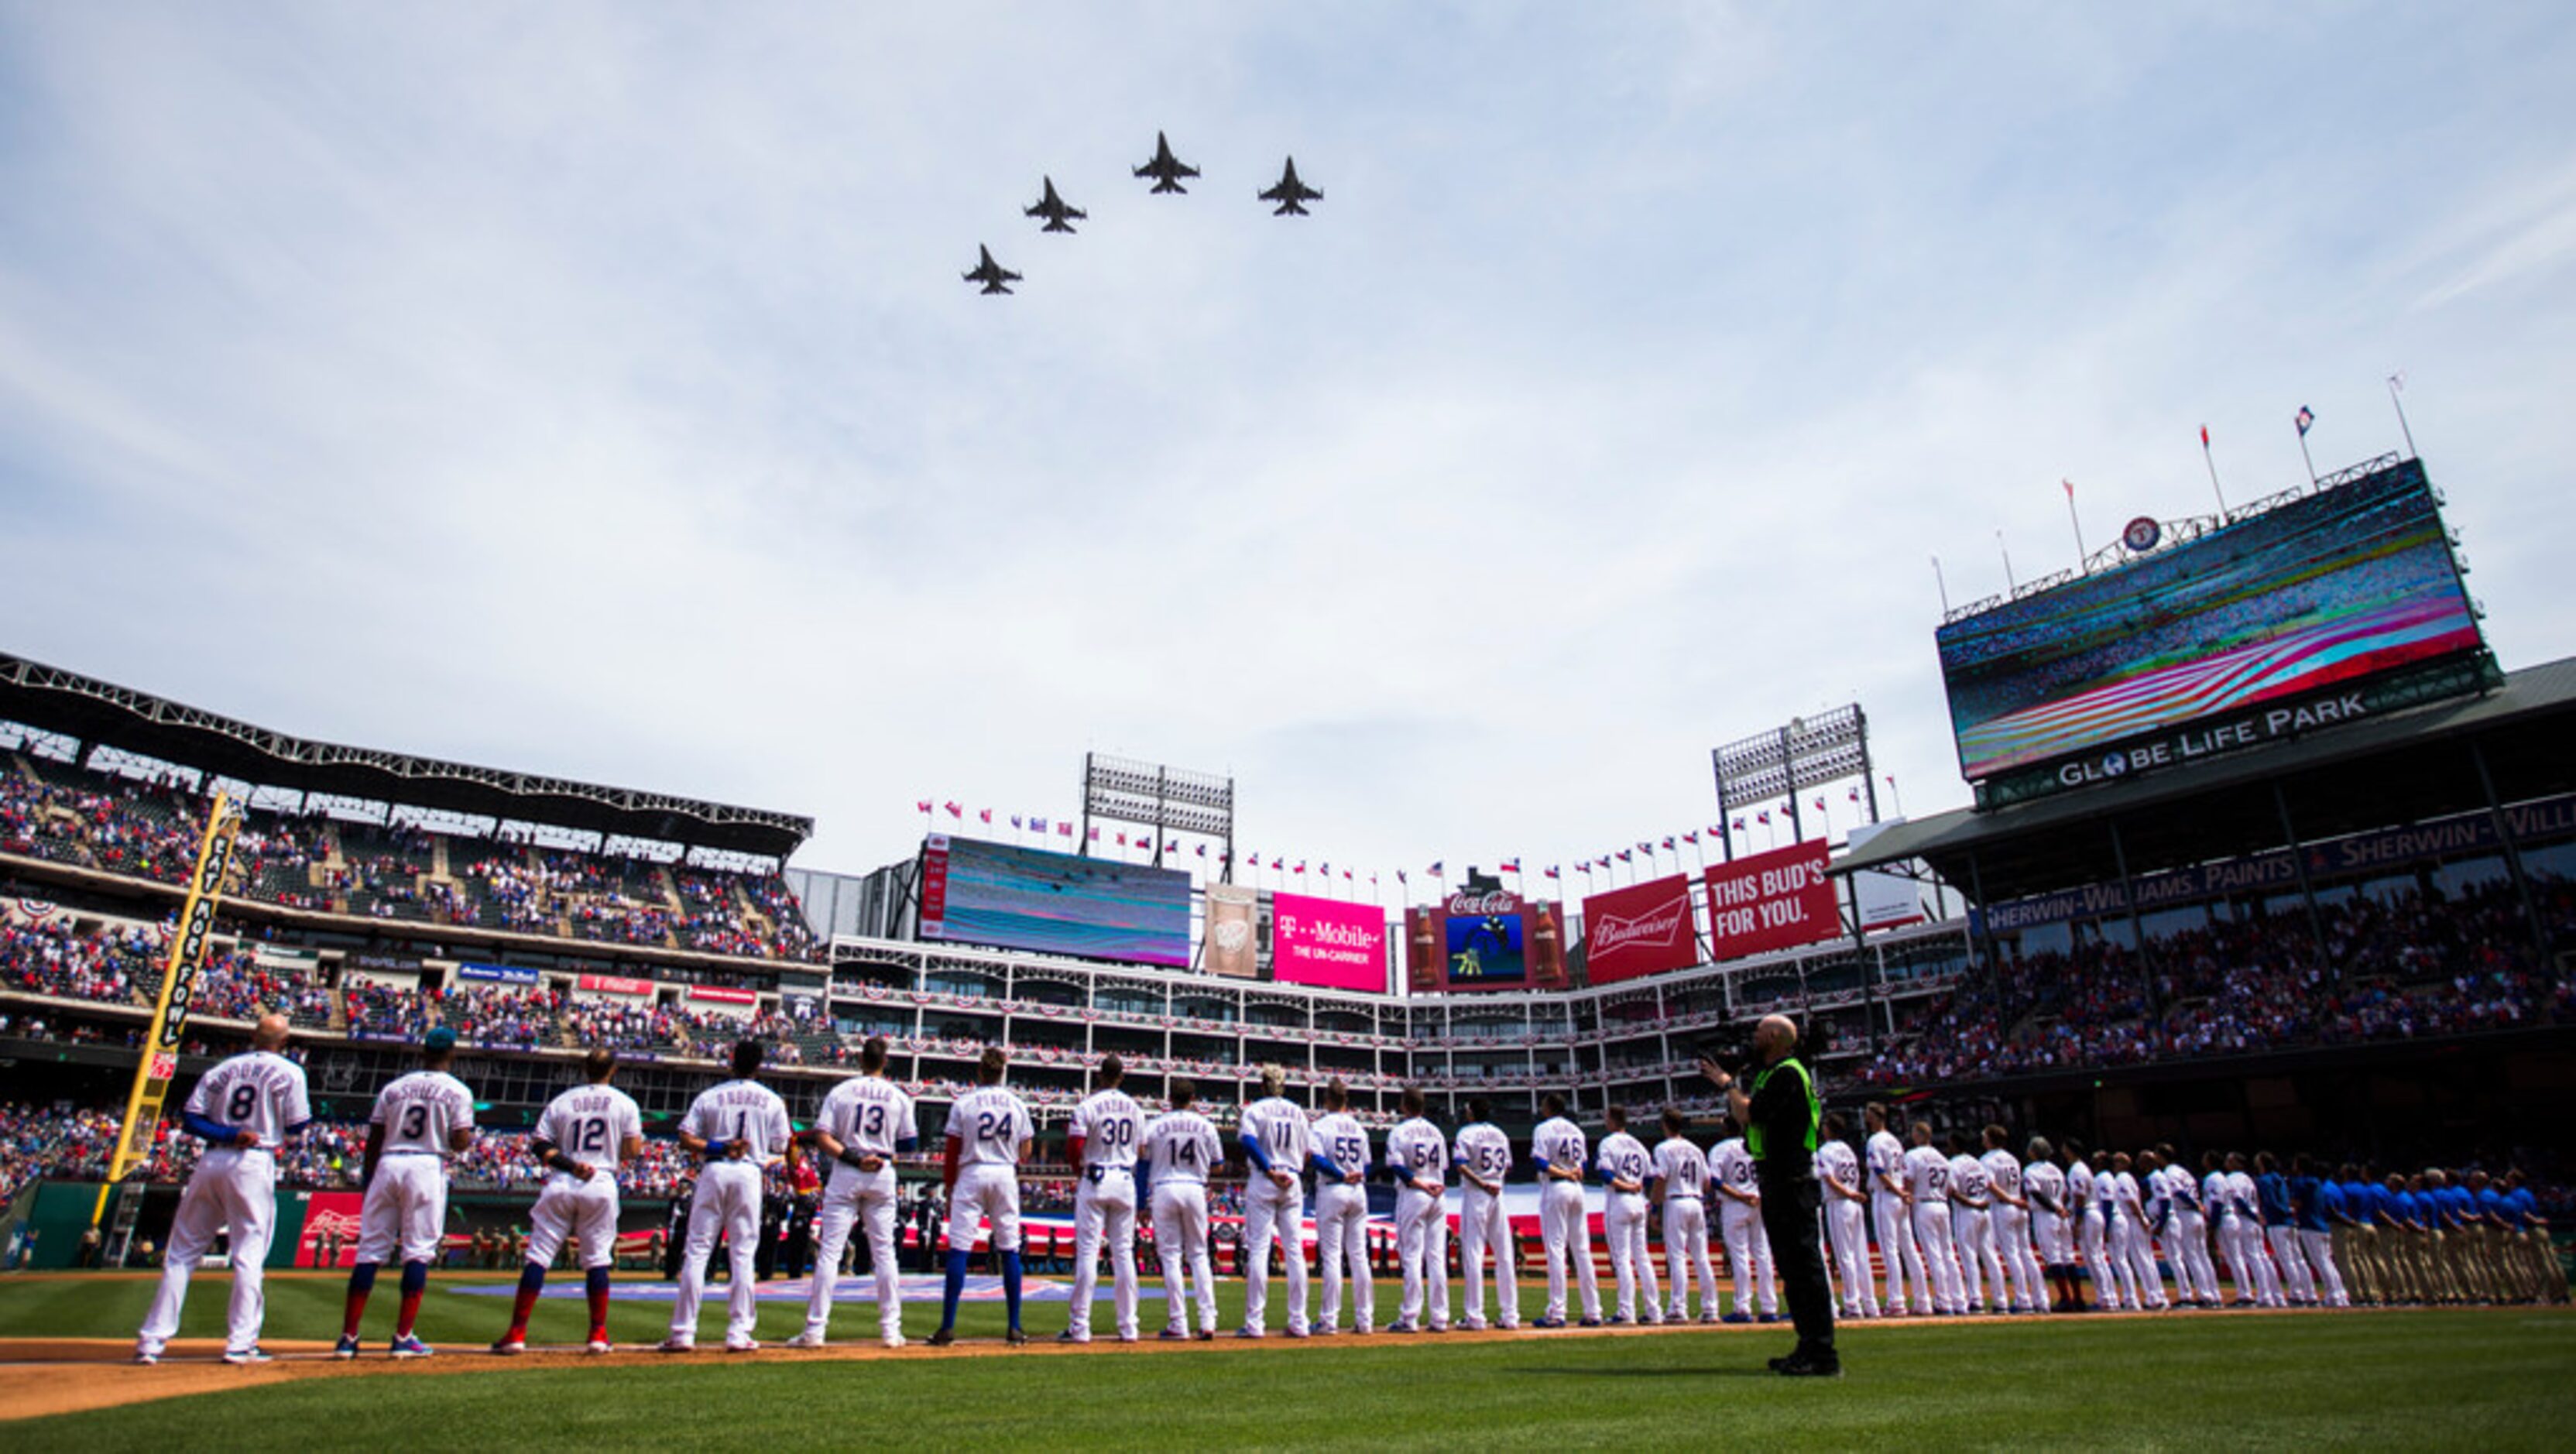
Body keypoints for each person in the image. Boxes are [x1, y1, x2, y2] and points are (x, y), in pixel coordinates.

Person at [135, 1013, 310, 1365]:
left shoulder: (221, 1069)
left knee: (181, 1253)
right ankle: (240, 1343)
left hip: (210, 1161)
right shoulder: (290, 1071)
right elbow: (298, 1124)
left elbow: (191, 1119)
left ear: (253, 1036)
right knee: (248, 1254)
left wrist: (228, 1133)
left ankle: (151, 1343)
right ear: (285, 1042)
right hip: (253, 1161)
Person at [1700, 1013, 1837, 1375]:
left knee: (1804, 1269)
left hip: (1790, 1179)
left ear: (1775, 1036)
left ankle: (1822, 1352)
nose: (1754, 1037)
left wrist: (1728, 1084)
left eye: (1760, 1031)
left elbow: (1749, 1113)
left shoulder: (1787, 1073)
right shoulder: (1777, 1072)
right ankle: (1808, 1346)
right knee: (1793, 1270)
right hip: (1777, 1180)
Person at [492, 1047, 643, 1355]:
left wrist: (572, 1165)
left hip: (564, 1178)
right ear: (613, 1070)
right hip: (600, 1179)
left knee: (539, 1256)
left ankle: (517, 1332)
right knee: (597, 1259)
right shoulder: (625, 1103)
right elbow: (632, 1150)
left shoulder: (563, 1101)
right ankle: (598, 1334)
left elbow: (540, 1145)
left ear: (585, 1069)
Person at [338, 1026, 475, 1358]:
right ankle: (402, 1337)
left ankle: (348, 1338)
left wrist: (369, 1180)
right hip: (426, 1164)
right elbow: (460, 1142)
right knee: (418, 1251)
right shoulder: (457, 1091)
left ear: (423, 1052)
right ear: (451, 1054)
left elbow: (374, 1137)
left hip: (388, 1161)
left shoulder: (394, 1088)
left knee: (370, 1250)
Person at [660, 1039, 794, 1353]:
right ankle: (738, 1332)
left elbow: (685, 1137)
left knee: (697, 1251)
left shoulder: (711, 1095)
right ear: (759, 1065)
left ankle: (683, 1333)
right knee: (743, 1254)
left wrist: (718, 1146)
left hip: (715, 1168)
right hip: (749, 1172)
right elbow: (780, 1146)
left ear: (732, 1061)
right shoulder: (772, 1100)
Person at [793, 1035, 917, 1349]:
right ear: (885, 1061)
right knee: (884, 1252)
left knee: (831, 1253)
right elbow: (909, 1143)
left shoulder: (841, 1091)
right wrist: (880, 1151)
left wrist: (855, 1157)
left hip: (848, 1168)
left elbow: (823, 1137)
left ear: (861, 1060)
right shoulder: (897, 1095)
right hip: (881, 1170)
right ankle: (891, 1331)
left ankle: (815, 1331)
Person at [930, 1047, 1034, 1346]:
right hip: (1003, 1171)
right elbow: (1026, 1149)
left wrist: (949, 1186)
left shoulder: (964, 1103)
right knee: (1009, 1248)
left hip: (972, 1170)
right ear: (1002, 1072)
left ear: (979, 1072)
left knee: (959, 1248)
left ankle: (948, 1326)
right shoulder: (1016, 1103)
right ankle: (1014, 1326)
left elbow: (951, 1151)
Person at [1060, 1054, 1144, 1344]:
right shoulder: (1135, 1108)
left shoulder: (1088, 1105)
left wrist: (1079, 1172)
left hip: (1095, 1177)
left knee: (1088, 1253)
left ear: (1099, 1076)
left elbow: (1074, 1146)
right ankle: (1129, 1326)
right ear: (1121, 1077)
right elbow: (1142, 1152)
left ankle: (1080, 1326)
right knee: (1124, 1254)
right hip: (1124, 1178)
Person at [1234, 1065, 1312, 1338]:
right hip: (1292, 1178)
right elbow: (1307, 1153)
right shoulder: (1298, 1112)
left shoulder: (1255, 1110)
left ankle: (1255, 1323)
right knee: (1294, 1251)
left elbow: (1248, 1142)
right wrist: (1290, 1171)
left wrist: (1269, 1170)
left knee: (1259, 1249)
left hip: (1265, 1178)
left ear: (1263, 1085)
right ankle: (1299, 1321)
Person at [1141, 1078, 1223, 1339]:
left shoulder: (1154, 1125)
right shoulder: (1206, 1125)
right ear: (1193, 1098)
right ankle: (1208, 1320)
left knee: (1171, 1257)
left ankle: (1179, 1322)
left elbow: (1143, 1164)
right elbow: (1218, 1165)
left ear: (1170, 1098)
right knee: (1199, 1255)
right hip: (1194, 1187)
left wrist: (1142, 1202)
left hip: (1164, 1186)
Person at [1308, 1077, 1374, 1336]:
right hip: (1358, 1191)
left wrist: (1340, 1174)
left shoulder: (1321, 1125)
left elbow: (1317, 1160)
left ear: (1327, 1100)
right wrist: (1355, 1174)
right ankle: (1365, 1319)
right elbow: (1367, 1164)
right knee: (1359, 1257)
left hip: (1333, 1189)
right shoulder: (1359, 1128)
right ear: (1346, 1100)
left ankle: (1329, 1320)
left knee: (1332, 1257)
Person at [1530, 1092, 1604, 1328]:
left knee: (1556, 1249)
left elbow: (1541, 1162)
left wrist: (1563, 1172)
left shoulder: (1544, 1128)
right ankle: (1593, 1311)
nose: (1542, 1107)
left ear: (1550, 1106)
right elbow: (1582, 1165)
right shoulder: (1576, 1130)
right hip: (1577, 1189)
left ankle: (1557, 1311)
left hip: (1557, 1187)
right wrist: (1572, 1172)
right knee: (1582, 1251)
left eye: (1543, 1103)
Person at [1383, 1085, 1452, 1333]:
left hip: (1414, 1193)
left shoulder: (1400, 1131)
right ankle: (1440, 1317)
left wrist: (1420, 1183)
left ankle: (1410, 1317)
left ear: (1404, 1105)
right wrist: (1432, 1185)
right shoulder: (1436, 1131)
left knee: (1411, 1256)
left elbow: (1398, 1168)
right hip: (1437, 1193)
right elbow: (1443, 1167)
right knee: (1436, 1258)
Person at [1451, 1097, 1520, 1331]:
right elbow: (1508, 1166)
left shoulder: (1466, 1133)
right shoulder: (1500, 1134)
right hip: (1497, 1193)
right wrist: (1493, 1181)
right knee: (1505, 1255)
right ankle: (1510, 1315)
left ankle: (1475, 1316)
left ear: (1471, 1113)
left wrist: (1482, 1182)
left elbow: (1460, 1164)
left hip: (1477, 1194)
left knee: (1473, 1254)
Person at [1651, 1106, 1719, 1323]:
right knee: (1701, 1257)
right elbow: (1708, 1183)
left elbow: (1660, 1177)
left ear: (1665, 1125)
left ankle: (1678, 1308)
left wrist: (1654, 1206)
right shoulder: (1696, 1149)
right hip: (1696, 1200)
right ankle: (1711, 1308)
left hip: (1676, 1200)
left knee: (1677, 1256)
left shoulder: (1663, 1148)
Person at [1594, 1105, 1660, 1325]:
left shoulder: (1608, 1142)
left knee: (1622, 1259)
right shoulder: (1638, 1144)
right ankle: (1654, 1311)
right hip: (1639, 1200)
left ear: (1613, 1120)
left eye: (1607, 1118)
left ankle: (1626, 1312)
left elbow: (1605, 1174)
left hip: (1620, 1199)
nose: (1606, 1121)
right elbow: (1651, 1176)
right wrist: (1641, 1192)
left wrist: (1626, 1185)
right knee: (1643, 1258)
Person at [1710, 1116, 1777, 1322]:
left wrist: (1740, 1196)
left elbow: (1714, 1180)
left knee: (1740, 1255)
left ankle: (1743, 1307)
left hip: (1735, 1203)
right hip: (1757, 1201)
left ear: (1725, 1130)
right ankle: (1769, 1307)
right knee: (1762, 1254)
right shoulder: (1752, 1146)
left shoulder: (1720, 1149)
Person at [1864, 1102, 1926, 1316]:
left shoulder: (1875, 1140)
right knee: (1909, 1249)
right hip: (1899, 1195)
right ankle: (1922, 1300)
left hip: (1886, 1195)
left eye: (1868, 1114)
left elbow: (1880, 1171)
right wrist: (1903, 1193)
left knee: (1890, 1250)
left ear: (1875, 1116)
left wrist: (1899, 1192)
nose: (1866, 1118)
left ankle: (1896, 1302)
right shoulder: (1895, 1141)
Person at [1903, 1120, 1966, 1315]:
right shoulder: (1943, 1158)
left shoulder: (1913, 1155)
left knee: (1934, 1255)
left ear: (1919, 1135)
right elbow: (1950, 1188)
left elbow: (1909, 1181)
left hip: (1924, 1203)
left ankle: (1943, 1300)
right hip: (1942, 1204)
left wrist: (1908, 1199)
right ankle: (1959, 1301)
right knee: (1948, 1254)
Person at [1816, 1113, 1875, 1319]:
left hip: (1839, 1202)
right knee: (1861, 1255)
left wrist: (1849, 1193)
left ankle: (1853, 1304)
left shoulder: (1826, 1150)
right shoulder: (1848, 1150)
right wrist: (1854, 1193)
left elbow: (1830, 1179)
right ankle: (1870, 1304)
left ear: (1829, 1128)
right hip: (1854, 1201)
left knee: (1845, 1256)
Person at [1981, 1125, 2045, 1313]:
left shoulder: (1987, 1159)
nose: (1983, 1140)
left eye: (1985, 1137)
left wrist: (2008, 1199)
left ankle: (2023, 1299)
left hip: (2003, 1205)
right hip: (2018, 1205)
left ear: (1991, 1139)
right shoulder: (2013, 1158)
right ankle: (2041, 1299)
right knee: (2026, 1252)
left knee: (2011, 1253)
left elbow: (1990, 1184)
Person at [1946, 1131, 2001, 1314]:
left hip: (1968, 1211)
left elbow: (1952, 1191)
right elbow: (1988, 1185)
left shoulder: (1953, 1164)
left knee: (1969, 1256)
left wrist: (1971, 1203)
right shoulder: (1978, 1162)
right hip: (1985, 1210)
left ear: (1954, 1145)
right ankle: (2000, 1300)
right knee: (1990, 1256)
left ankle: (1976, 1300)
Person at [2025, 1137, 2077, 1311]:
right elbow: (2066, 1193)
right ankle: (2077, 1298)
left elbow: (2036, 1194)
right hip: (2061, 1213)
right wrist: (2062, 1209)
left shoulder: (2031, 1170)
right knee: (2068, 1257)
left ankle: (2065, 1299)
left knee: (2053, 1257)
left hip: (2046, 1214)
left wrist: (2054, 1209)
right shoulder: (2056, 1170)